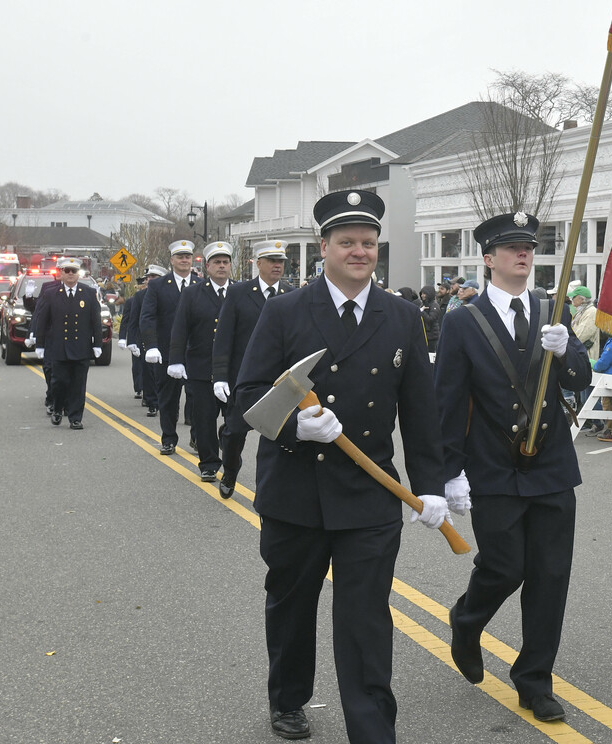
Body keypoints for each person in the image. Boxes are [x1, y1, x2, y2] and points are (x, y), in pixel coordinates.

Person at [235, 190, 446, 743]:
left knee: (366, 620)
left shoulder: (401, 315)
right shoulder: (284, 312)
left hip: (369, 494)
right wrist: (294, 426)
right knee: (292, 606)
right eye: (347, 242)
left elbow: (422, 413)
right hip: (296, 492)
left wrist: (433, 488)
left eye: (369, 243)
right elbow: (249, 394)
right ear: (323, 248)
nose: (359, 252)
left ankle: (373, 731)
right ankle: (288, 698)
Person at [437, 212, 592, 724]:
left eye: (528, 246)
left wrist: (566, 347)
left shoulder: (550, 309)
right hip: (494, 465)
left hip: (550, 465)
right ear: (488, 258)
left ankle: (534, 680)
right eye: (510, 247)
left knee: (550, 575)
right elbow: (448, 399)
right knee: (505, 566)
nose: (522, 254)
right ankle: (467, 619)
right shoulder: (462, 319)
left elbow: (579, 378)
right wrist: (451, 472)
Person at [212, 240, 291, 499]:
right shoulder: (239, 293)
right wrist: (220, 377)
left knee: (282, 437)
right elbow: (224, 337)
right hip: (245, 379)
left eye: (281, 261)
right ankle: (231, 469)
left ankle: (275, 487)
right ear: (258, 264)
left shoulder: (292, 294)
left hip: (280, 382)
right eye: (272, 261)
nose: (278, 266)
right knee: (234, 433)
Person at [171, 241, 235, 482]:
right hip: (201, 368)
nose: (221, 266)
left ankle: (231, 460)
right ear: (207, 267)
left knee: (233, 423)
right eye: (216, 262)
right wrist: (176, 360)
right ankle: (208, 463)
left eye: (225, 262)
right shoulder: (192, 293)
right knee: (204, 420)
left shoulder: (239, 292)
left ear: (230, 266)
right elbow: (180, 329)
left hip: (232, 371)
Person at [140, 240, 200, 456]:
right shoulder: (157, 285)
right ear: (172, 260)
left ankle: (196, 437)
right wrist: (151, 346)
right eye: (180, 256)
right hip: (166, 352)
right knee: (168, 399)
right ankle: (168, 439)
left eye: (188, 256)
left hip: (195, 353)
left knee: (197, 399)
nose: (185, 260)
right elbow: (147, 317)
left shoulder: (201, 284)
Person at [30, 258, 103, 429]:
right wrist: (39, 344)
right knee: (59, 382)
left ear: (79, 274)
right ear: (61, 273)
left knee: (78, 385)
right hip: (59, 348)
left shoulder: (89, 293)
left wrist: (97, 344)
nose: (70, 274)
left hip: (81, 347)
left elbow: (96, 322)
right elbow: (42, 321)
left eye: (74, 271)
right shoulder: (51, 293)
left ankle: (75, 417)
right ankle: (57, 408)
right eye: (67, 270)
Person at [123, 267, 164, 413]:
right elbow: (133, 320)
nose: (150, 279)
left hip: (165, 339)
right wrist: (131, 341)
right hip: (146, 338)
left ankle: (165, 402)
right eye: (149, 277)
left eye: (154, 276)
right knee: (148, 372)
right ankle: (152, 402)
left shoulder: (170, 294)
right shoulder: (140, 296)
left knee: (164, 374)